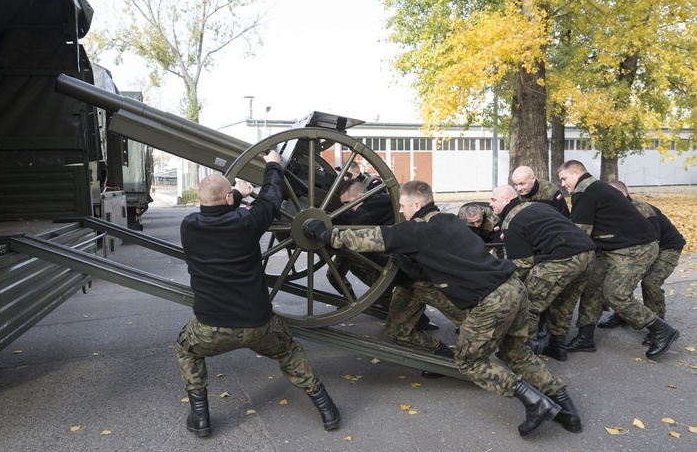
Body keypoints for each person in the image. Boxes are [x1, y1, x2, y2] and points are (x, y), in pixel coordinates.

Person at [304, 180, 580, 436]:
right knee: (517, 353)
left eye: (402, 205)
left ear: (416, 205)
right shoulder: (449, 219)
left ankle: (534, 402)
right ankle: (567, 410)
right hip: (514, 288)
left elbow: (370, 238)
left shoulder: (417, 231)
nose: (400, 210)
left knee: (469, 362)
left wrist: (326, 235)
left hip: (491, 300)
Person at [175, 150, 340, 437]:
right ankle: (326, 408)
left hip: (210, 328)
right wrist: (273, 164)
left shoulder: (189, 226)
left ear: (200, 201)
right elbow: (271, 200)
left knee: (185, 349)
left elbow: (216, 207)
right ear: (228, 200)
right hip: (259, 324)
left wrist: (234, 195)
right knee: (289, 352)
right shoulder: (245, 222)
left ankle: (200, 417)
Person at [557, 160, 680, 359]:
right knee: (592, 285)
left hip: (635, 248)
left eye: (564, 178)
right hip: (612, 247)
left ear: (577, 172)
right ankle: (585, 337)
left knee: (615, 295)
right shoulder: (596, 188)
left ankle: (661, 329)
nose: (563, 184)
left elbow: (580, 234)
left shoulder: (585, 191)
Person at [489, 185, 596, 362]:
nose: (490, 204)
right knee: (564, 303)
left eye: (494, 200)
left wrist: (505, 284)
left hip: (561, 259)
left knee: (528, 304)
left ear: (507, 200)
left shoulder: (511, 221)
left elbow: (523, 263)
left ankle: (523, 353)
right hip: (587, 254)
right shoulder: (537, 206)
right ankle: (557, 346)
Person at [328, 179, 447, 332]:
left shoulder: (374, 205)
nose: (346, 208)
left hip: (394, 257)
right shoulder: (373, 203)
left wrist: (327, 219)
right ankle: (416, 320)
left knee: (404, 290)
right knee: (382, 289)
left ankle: (420, 321)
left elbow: (355, 221)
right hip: (380, 255)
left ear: (360, 196)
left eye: (347, 203)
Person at [599, 181, 686, 345]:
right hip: (641, 249)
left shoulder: (643, 211)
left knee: (650, 282)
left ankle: (660, 324)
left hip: (666, 249)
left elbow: (652, 243)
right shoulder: (615, 211)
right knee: (621, 277)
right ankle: (623, 315)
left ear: (622, 195)